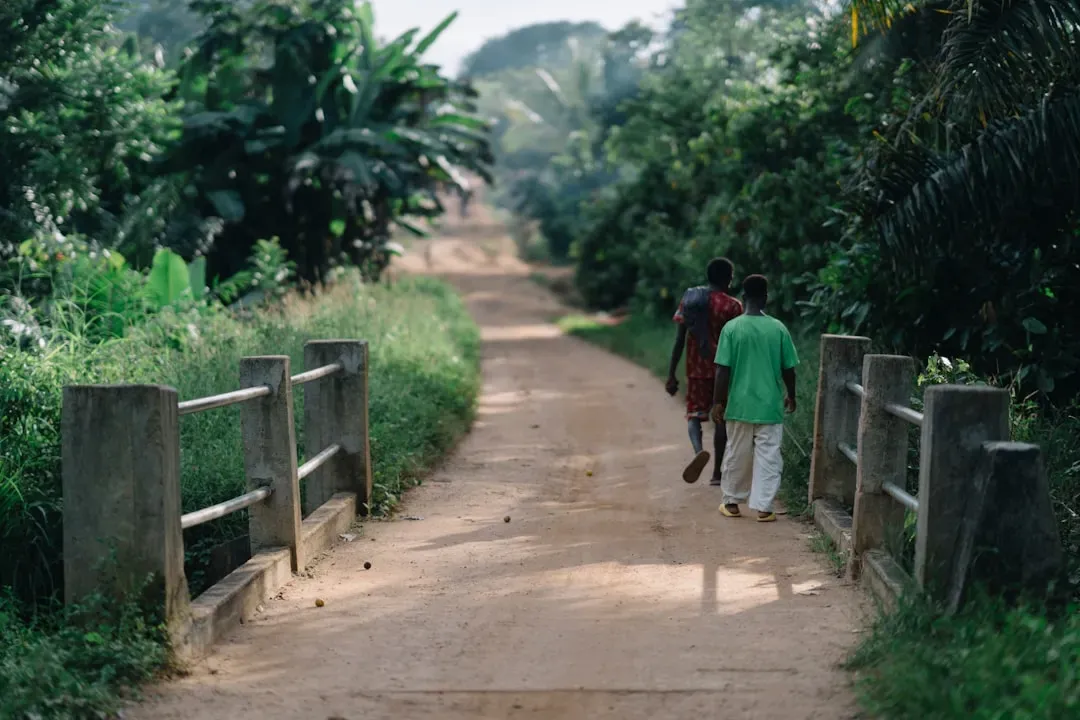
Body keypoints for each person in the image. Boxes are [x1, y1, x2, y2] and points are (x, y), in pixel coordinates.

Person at [711, 274, 798, 522]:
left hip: (739, 405)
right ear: (766, 298)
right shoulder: (778, 328)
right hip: (770, 406)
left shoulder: (732, 328)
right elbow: (789, 369)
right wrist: (791, 395)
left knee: (737, 453)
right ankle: (764, 507)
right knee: (769, 457)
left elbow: (722, 370)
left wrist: (718, 402)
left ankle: (731, 502)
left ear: (743, 297)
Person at [666, 257, 743, 485]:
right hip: (724, 372)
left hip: (696, 369)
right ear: (728, 279)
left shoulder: (690, 301)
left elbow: (679, 339)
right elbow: (739, 343)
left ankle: (699, 450)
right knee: (720, 418)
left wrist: (671, 373)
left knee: (694, 416)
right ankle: (717, 475)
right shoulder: (733, 306)